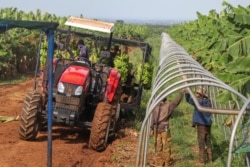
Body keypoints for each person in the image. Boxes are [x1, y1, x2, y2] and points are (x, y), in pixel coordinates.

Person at [150, 89, 185, 167]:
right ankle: (167, 163)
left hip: (156, 128)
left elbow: (152, 118)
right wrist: (181, 93)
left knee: (158, 145)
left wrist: (152, 128)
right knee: (166, 145)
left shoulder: (155, 106)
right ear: (165, 99)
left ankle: (158, 162)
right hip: (165, 127)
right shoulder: (168, 106)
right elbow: (176, 102)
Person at [185, 86, 213, 164]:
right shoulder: (208, 101)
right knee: (208, 142)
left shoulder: (198, 102)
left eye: (197, 93)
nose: (196, 94)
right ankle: (211, 159)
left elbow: (189, 100)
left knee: (201, 142)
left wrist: (187, 93)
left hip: (201, 125)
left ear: (201, 94)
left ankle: (202, 161)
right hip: (208, 125)